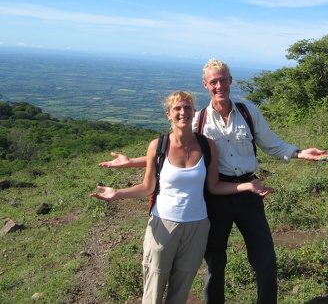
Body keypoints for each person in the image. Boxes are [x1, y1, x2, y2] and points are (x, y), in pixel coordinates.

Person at [99, 59, 328, 304]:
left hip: (250, 191)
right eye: (213, 82)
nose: (219, 85)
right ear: (205, 85)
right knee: (215, 262)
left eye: (222, 80)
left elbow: (272, 144)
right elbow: (177, 154)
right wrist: (131, 162)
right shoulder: (198, 120)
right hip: (216, 194)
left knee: (265, 260)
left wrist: (299, 152)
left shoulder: (248, 112)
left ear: (230, 80)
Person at [92, 90, 273, 304]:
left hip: (197, 227)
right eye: (177, 108)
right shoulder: (157, 146)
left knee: (181, 289)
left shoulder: (207, 146)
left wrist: (246, 186)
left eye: (187, 107)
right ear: (168, 114)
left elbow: (214, 187)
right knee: (154, 287)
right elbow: (147, 187)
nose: (182, 112)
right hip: (163, 225)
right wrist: (118, 193)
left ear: (194, 112)